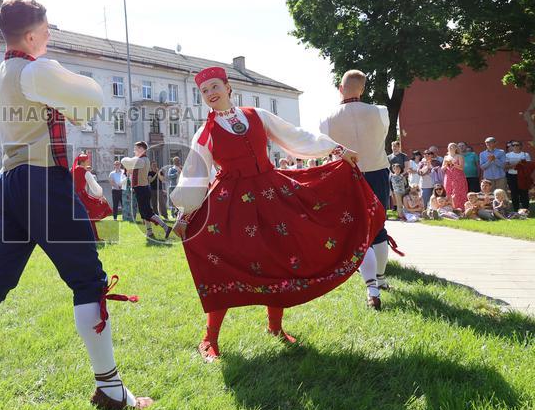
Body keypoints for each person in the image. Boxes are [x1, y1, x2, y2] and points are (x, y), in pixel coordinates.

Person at [0, 0, 151, 410]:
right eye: (47, 30)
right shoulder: (37, 69)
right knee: (89, 281)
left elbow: (72, 109)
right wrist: (67, 89)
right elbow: (92, 102)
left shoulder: (4, 71)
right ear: (34, 35)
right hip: (44, 182)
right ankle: (111, 388)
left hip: (13, 183)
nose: (51, 37)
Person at [170, 66, 384, 361]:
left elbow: (295, 136)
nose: (210, 94)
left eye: (215, 87)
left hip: (272, 193)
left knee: (280, 256)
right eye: (204, 91)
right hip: (232, 202)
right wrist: (185, 215)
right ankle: (210, 337)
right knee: (221, 262)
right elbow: (195, 173)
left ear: (228, 86)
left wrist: (335, 149)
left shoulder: (257, 115)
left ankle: (275, 327)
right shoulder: (204, 132)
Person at [319, 69, 397, 309]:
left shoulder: (327, 119)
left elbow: (325, 151)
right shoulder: (381, 111)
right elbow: (381, 137)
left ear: (340, 89)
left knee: (358, 231)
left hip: (346, 175)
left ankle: (372, 286)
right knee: (378, 227)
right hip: (377, 172)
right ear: (363, 89)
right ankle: (381, 280)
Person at [122, 143, 172, 239]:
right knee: (143, 212)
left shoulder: (141, 160)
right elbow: (131, 169)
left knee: (148, 212)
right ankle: (149, 232)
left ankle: (166, 227)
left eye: (136, 149)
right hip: (142, 188)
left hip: (142, 189)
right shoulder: (142, 160)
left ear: (141, 149)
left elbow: (124, 161)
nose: (134, 151)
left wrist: (128, 164)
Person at [72, 152, 112, 241]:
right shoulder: (85, 172)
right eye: (87, 160)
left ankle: (82, 237)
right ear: (83, 162)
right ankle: (93, 237)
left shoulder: (72, 170)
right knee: (91, 215)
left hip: (72, 196)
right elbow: (94, 185)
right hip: (81, 196)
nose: (89, 162)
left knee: (78, 217)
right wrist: (100, 195)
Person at [505, 141, 531, 212]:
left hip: (522, 176)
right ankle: (516, 210)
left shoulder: (525, 154)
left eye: (517, 145)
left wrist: (521, 165)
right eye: (513, 145)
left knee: (524, 193)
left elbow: (528, 166)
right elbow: (506, 167)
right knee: (514, 194)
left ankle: (526, 210)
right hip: (512, 176)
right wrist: (516, 164)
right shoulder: (508, 155)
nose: (515, 146)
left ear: (520, 146)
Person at [443, 142, 468, 210]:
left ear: (456, 148)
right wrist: (446, 164)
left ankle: (460, 208)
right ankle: (450, 208)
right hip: (448, 177)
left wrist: (453, 164)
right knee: (448, 191)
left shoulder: (459, 156)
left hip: (458, 177)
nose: (451, 148)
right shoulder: (446, 157)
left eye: (453, 146)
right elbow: (442, 169)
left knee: (458, 192)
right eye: (450, 147)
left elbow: (462, 168)